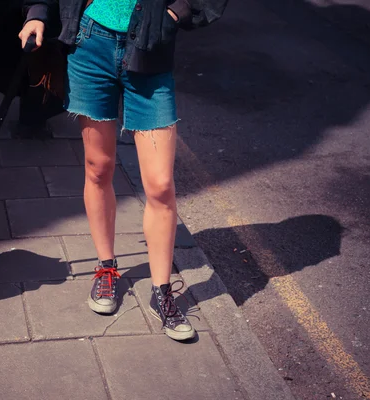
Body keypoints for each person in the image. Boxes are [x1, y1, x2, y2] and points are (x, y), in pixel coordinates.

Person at [18, 0, 226, 341]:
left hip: (149, 51)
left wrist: (178, 12)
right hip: (89, 45)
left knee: (160, 185)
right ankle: (106, 267)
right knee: (98, 167)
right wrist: (37, 13)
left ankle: (162, 292)